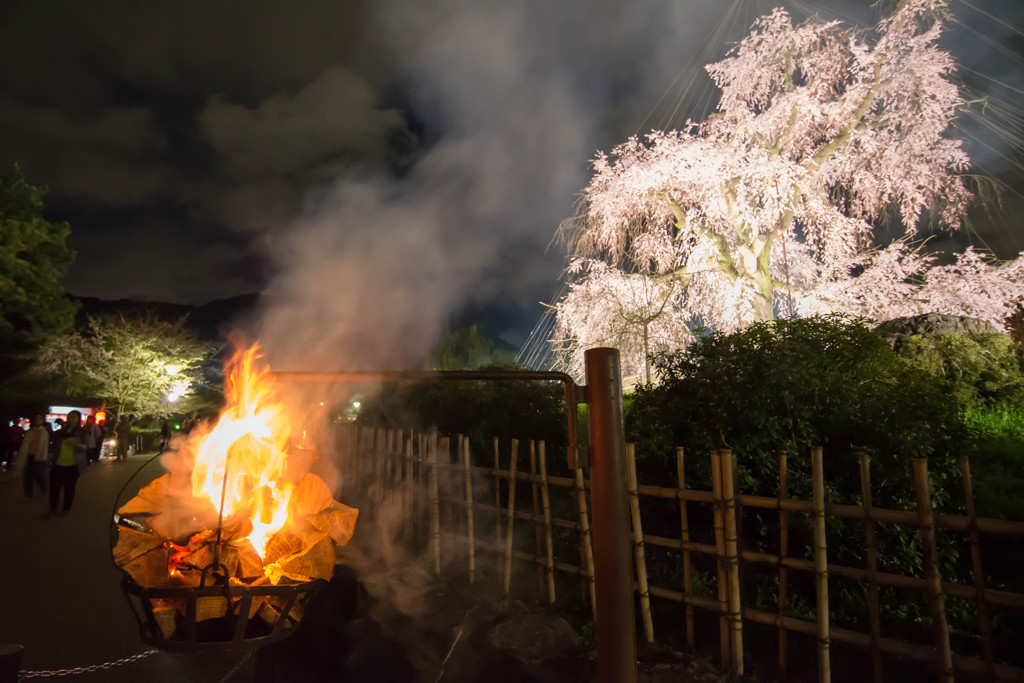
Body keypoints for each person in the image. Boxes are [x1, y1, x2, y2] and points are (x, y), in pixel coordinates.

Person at [49, 410, 87, 516]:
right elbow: (54, 446)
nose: (71, 419)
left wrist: (78, 446)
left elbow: (86, 446)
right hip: (58, 464)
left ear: (78, 419)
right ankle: (52, 508)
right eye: (69, 417)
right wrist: (50, 455)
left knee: (69, 488)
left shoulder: (82, 433)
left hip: (73, 465)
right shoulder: (60, 432)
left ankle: (66, 508)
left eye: (74, 417)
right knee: (54, 488)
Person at [18, 414, 49, 500]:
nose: (38, 420)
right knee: (27, 476)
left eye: (40, 418)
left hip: (39, 457)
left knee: (38, 475)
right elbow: (25, 445)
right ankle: (28, 494)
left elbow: (45, 446)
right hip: (29, 456)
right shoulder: (30, 432)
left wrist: (46, 457)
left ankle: (44, 487)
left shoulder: (44, 432)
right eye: (36, 418)